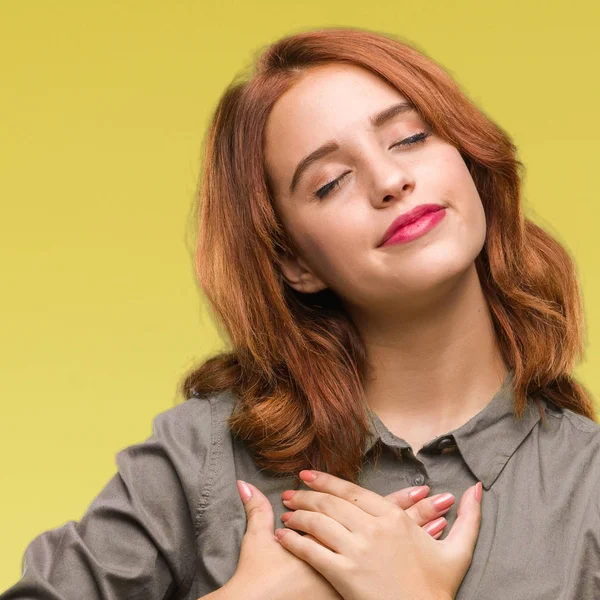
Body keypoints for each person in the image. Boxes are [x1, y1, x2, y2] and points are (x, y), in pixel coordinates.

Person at [2, 25, 599, 600]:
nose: (390, 179)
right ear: (294, 262)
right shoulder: (203, 455)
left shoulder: (588, 484)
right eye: (331, 182)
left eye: (411, 138)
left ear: (469, 160)